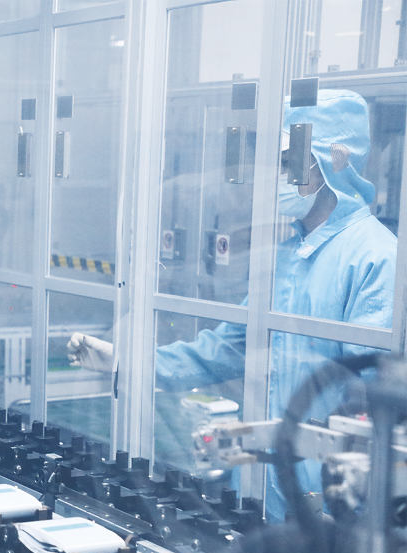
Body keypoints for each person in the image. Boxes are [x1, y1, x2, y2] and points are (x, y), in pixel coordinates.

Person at [67, 89, 397, 523]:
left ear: (331, 162)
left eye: (287, 162)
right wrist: (123, 362)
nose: (276, 176)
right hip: (261, 482)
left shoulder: (378, 258)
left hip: (330, 494)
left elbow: (369, 396)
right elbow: (225, 348)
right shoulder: (287, 255)